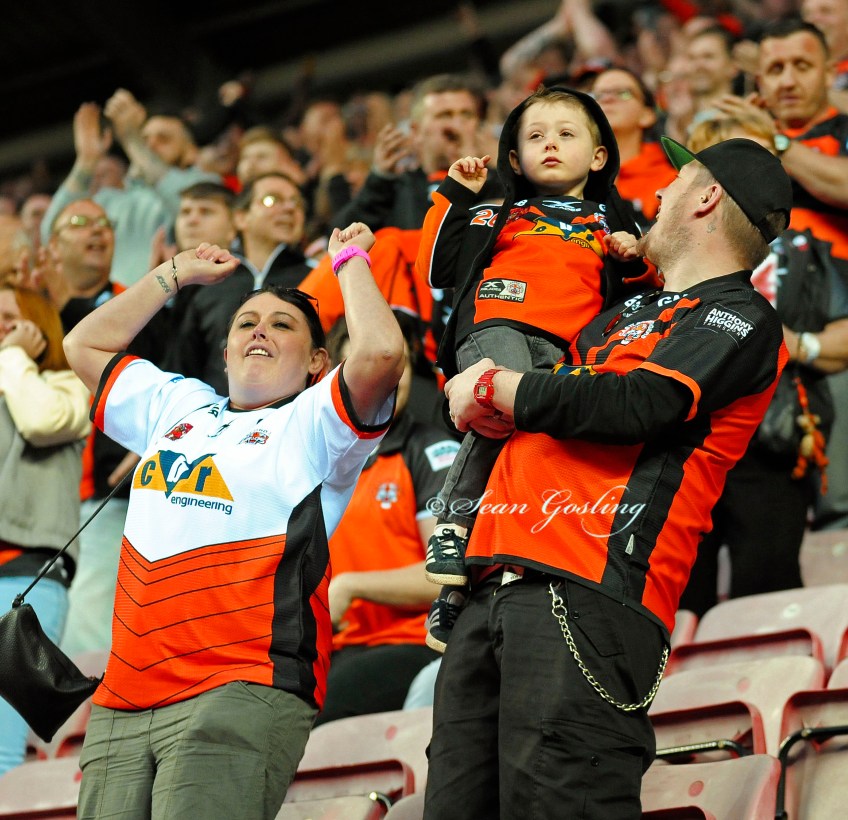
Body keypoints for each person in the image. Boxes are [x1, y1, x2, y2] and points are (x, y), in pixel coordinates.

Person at [424, 136, 792, 819]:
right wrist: (482, 399)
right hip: (490, 585)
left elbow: (638, 404)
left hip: (589, 589)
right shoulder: (617, 313)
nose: (659, 192)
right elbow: (544, 397)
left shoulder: (741, 316)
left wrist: (500, 386)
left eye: (677, 180)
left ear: (708, 197)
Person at [62, 224, 404, 819]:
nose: (259, 331)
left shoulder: (315, 423)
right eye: (246, 322)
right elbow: (82, 346)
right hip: (122, 697)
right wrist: (173, 275)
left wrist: (348, 259)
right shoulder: (178, 403)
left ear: (318, 362)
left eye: (282, 325)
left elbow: (380, 354)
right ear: (224, 352)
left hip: (240, 684)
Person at [417, 85, 649, 651]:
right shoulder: (495, 211)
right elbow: (437, 269)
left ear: (598, 156)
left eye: (566, 134)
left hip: (568, 353)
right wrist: (455, 193)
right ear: (515, 159)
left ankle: (456, 593)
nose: (551, 145)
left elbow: (641, 302)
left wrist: (635, 259)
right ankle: (451, 522)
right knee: (498, 406)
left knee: (520, 453)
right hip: (496, 322)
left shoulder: (615, 224)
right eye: (536, 136)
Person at [678, 114, 848, 614]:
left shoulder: (807, 249)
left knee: (765, 589)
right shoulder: (667, 240)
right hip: (686, 438)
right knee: (681, 594)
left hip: (771, 438)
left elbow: (843, 329)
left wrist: (798, 344)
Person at [716, 18, 848, 529]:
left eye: (802, 66)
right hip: (752, 349)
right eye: (775, 69)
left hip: (835, 345)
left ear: (829, 72)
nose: (788, 80)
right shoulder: (738, 141)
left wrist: (775, 143)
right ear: (758, 81)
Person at [317, 313, 457, 725]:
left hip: (412, 641)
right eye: (369, 364)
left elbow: (446, 575)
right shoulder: (315, 459)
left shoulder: (431, 452)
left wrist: (352, 586)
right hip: (332, 647)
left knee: (320, 711)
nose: (388, 378)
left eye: (399, 365)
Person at [0, 283, 91, 774]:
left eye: (10, 318)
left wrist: (14, 357)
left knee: (0, 747)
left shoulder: (66, 385)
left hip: (24, 579)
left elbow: (40, 420)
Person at [40, 93, 220, 286]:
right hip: (110, 299)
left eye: (163, 139)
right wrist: (86, 161)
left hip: (168, 298)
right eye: (145, 138)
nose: (150, 145)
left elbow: (186, 202)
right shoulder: (110, 198)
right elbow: (52, 233)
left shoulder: (205, 183)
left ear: (191, 150)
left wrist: (132, 139)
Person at [165, 172, 315, 394]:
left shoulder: (318, 275)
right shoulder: (209, 279)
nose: (289, 209)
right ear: (241, 218)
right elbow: (182, 367)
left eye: (296, 203)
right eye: (272, 200)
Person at [590, 67, 677, 227]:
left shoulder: (671, 181)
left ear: (647, 115)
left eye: (623, 93)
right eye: (597, 95)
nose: (607, 99)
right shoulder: (573, 172)